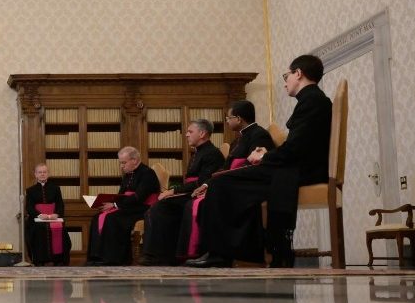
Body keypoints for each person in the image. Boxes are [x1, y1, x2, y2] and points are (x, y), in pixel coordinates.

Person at [187, 55, 332, 267]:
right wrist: (268, 154)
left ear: (298, 73)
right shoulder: (313, 100)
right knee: (225, 182)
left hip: (301, 172)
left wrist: (264, 156)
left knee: (220, 183)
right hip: (300, 168)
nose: (285, 82)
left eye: (287, 75)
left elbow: (296, 149)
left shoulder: (312, 101)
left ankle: (222, 253)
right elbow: (299, 145)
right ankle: (239, 251)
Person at [177, 100, 275, 260]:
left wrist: (216, 181)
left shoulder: (259, 134)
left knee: (216, 190)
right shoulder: (239, 139)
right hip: (232, 182)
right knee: (213, 188)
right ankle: (211, 251)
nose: (227, 121)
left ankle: (219, 253)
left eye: (228, 118)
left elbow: (257, 165)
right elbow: (225, 167)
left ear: (238, 118)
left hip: (248, 185)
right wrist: (207, 183)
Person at [138, 119, 224, 265]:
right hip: (189, 192)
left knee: (161, 208)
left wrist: (173, 191)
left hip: (200, 195)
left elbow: (201, 182)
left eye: (190, 132)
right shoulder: (197, 153)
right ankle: (156, 254)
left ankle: (161, 256)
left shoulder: (212, 153)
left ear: (202, 133)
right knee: (157, 207)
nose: (186, 135)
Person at [85, 147, 160, 266]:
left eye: (124, 163)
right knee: (97, 217)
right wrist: (106, 202)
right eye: (120, 163)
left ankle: (113, 258)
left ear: (134, 160)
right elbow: (121, 195)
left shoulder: (147, 173)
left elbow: (138, 197)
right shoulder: (127, 175)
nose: (121, 166)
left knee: (111, 219)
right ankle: (96, 256)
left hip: (142, 208)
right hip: (128, 207)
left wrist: (115, 205)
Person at [24, 163, 72, 266]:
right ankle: (40, 260)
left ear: (48, 174)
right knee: (39, 228)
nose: (42, 174)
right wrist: (39, 215)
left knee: (59, 229)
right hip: (38, 219)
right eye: (40, 172)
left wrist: (57, 214)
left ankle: (58, 260)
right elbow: (29, 207)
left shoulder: (55, 188)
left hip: (54, 218)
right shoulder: (30, 190)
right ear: (35, 174)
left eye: (44, 172)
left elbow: (60, 204)